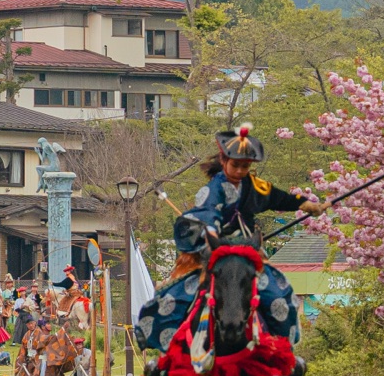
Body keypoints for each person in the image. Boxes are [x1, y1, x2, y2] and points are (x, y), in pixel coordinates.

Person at [136, 124, 325, 355]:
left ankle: (281, 351)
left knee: (279, 293)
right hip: (215, 249)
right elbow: (208, 213)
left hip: (248, 250)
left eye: (245, 166)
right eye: (235, 165)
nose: (240, 171)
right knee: (179, 294)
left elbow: (277, 197)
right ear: (224, 161)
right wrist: (213, 235)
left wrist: (305, 204)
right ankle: (170, 355)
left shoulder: (253, 185)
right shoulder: (213, 188)